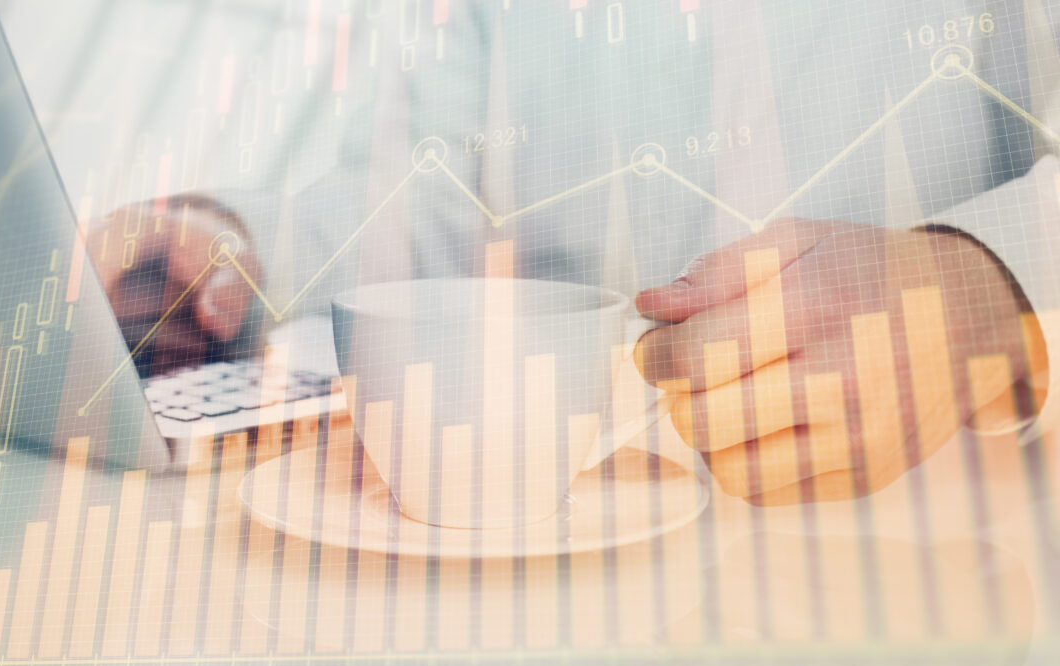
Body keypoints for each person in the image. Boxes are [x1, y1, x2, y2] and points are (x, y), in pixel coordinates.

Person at [88, 1, 1058, 506]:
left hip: (970, 573)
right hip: (580, 580)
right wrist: (238, 255)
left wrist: (986, 287)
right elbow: (424, 206)